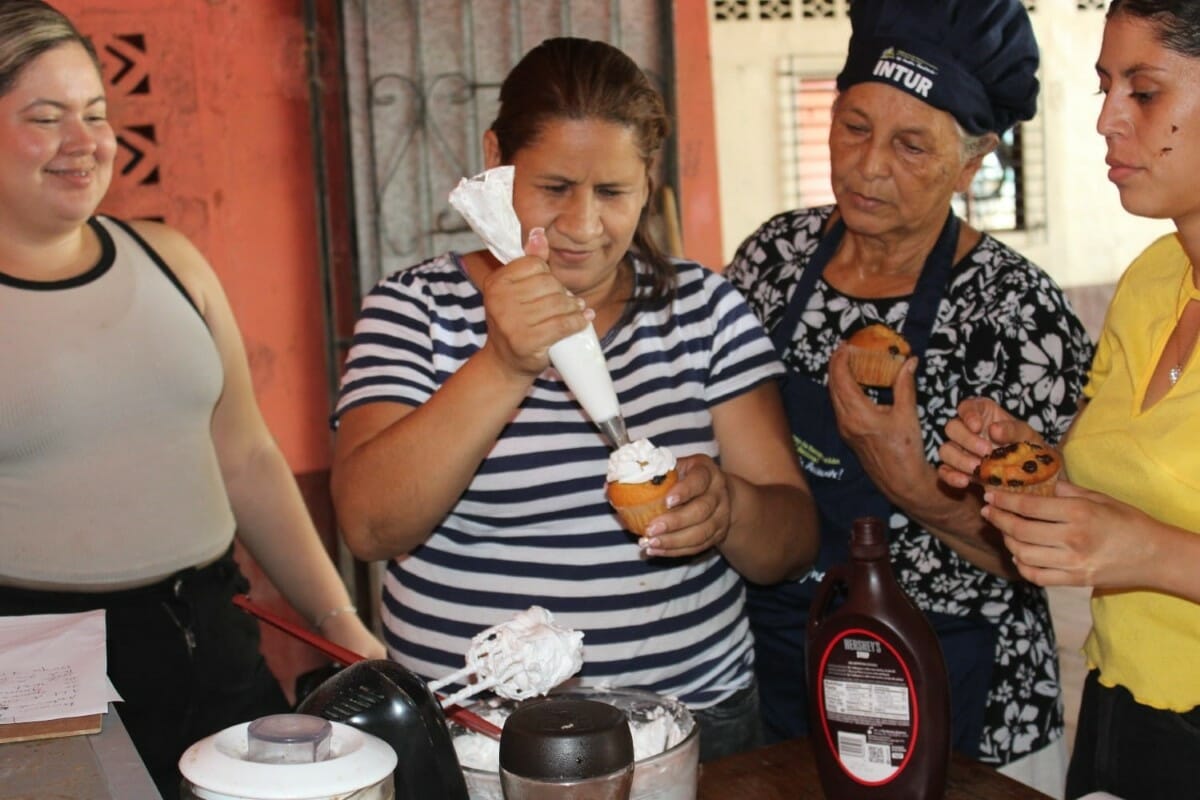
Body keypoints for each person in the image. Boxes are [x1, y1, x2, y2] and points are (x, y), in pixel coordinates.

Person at [330, 36, 819, 762]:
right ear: (498, 158)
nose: (584, 227)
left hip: (686, 731)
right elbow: (369, 527)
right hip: (476, 740)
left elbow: (791, 539)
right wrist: (501, 363)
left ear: (648, 182)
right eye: (555, 187)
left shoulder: (705, 311)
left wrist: (730, 509)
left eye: (613, 192)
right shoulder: (415, 311)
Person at [0, 3, 384, 797]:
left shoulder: (172, 261)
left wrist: (339, 621)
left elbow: (247, 458)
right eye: (46, 117)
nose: (86, 142)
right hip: (34, 664)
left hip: (213, 629)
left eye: (97, 114)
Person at [723, 0, 1094, 794]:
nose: (867, 167)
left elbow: (1039, 556)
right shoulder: (773, 262)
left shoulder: (1019, 315)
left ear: (972, 162)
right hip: (785, 671)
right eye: (853, 126)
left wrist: (910, 482)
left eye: (911, 144)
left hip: (963, 696)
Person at [939, 2, 1200, 797]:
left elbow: (1143, 536)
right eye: (1104, 87)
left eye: (1144, 92)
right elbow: (1114, 493)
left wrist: (1146, 550)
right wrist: (1024, 463)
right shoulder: (1155, 280)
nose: (1107, 122)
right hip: (1126, 710)